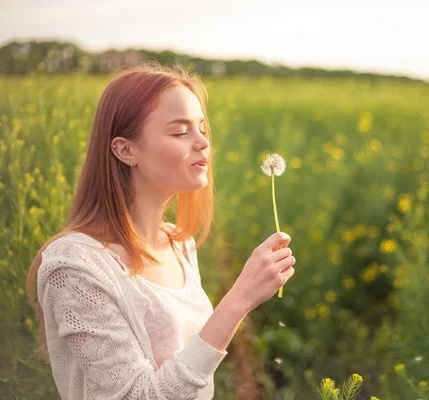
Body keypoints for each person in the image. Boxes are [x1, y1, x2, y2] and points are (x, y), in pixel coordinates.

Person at [25, 62, 296, 399]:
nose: (202, 144)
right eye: (180, 132)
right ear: (126, 150)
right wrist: (239, 300)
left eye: (202, 129)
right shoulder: (75, 265)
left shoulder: (180, 245)